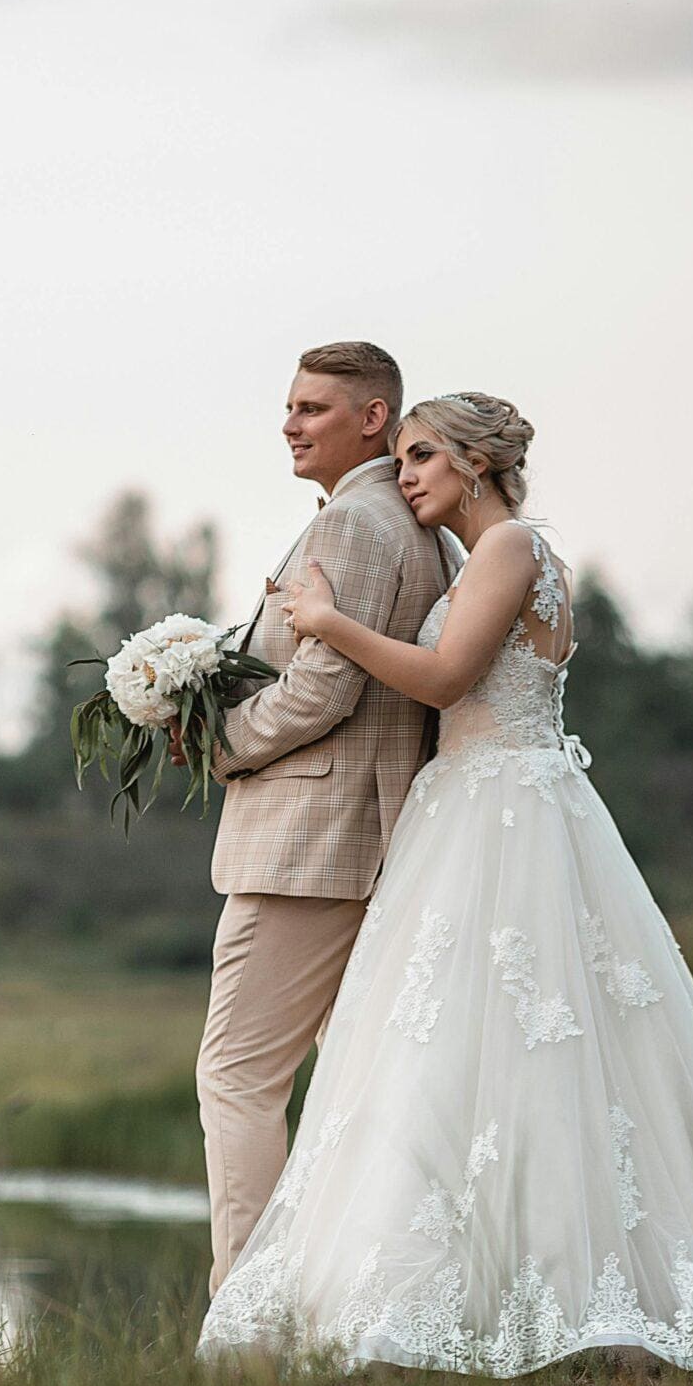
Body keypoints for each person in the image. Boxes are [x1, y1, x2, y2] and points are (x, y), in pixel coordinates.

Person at [196, 391, 693, 1374]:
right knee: (477, 1054)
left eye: (423, 456)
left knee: (513, 1046)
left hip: (499, 812)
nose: (409, 478)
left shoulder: (513, 546)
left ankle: (545, 1286)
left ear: (476, 460)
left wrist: (326, 623)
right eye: (400, 461)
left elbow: (441, 678)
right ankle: (475, 1270)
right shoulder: (494, 557)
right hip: (486, 801)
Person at [192, 342, 452, 1296]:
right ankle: (362, 1300)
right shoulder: (417, 524)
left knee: (237, 1079)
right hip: (372, 837)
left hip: (310, 844)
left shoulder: (355, 523)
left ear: (374, 418)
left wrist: (217, 742)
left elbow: (320, 692)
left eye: (313, 408)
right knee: (358, 1093)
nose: (291, 424)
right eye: (288, 407)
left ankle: (248, 1311)